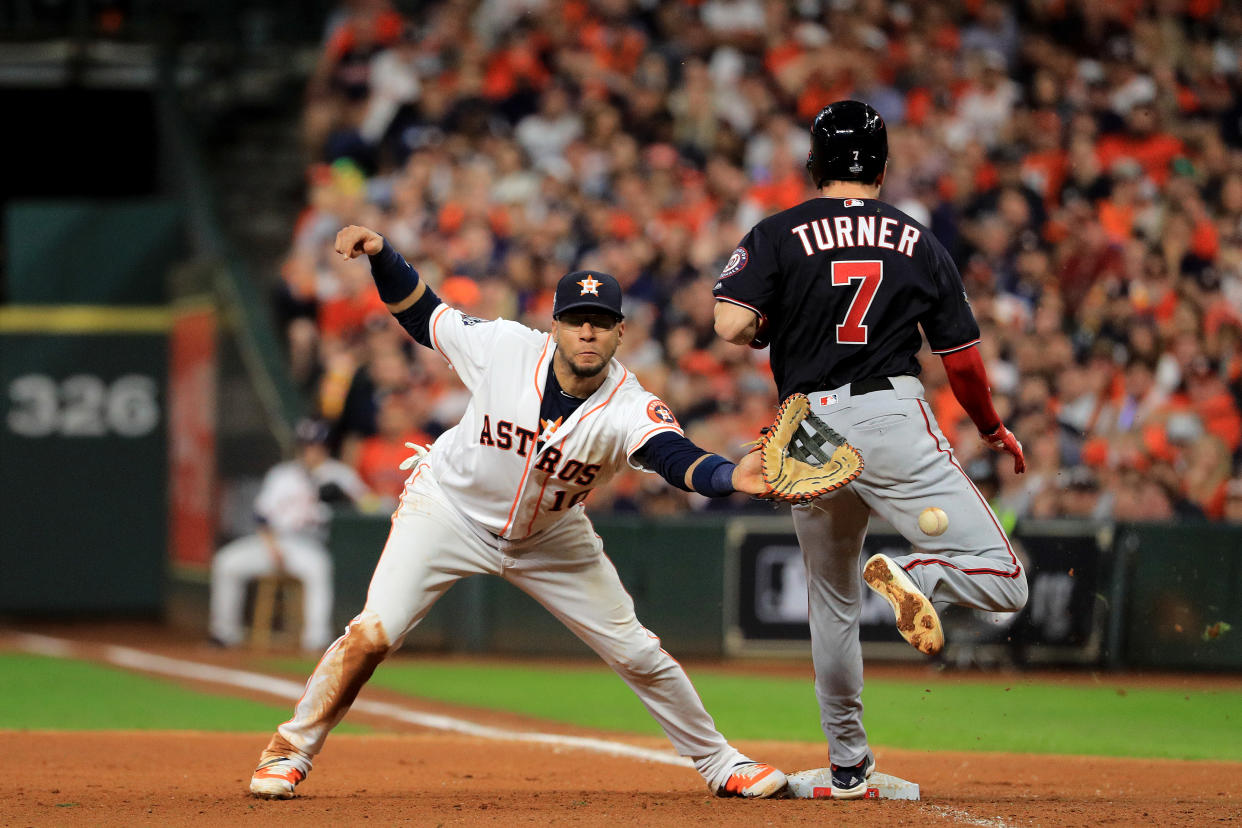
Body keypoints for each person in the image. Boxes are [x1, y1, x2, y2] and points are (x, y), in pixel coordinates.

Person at [247, 224, 788, 801]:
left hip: (551, 537)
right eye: (577, 319)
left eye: (601, 322)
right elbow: (422, 313)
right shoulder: (505, 346)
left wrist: (728, 475)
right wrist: (382, 255)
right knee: (373, 632)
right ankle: (290, 750)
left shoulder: (629, 405)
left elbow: (673, 455)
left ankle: (719, 762)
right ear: (553, 326)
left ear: (619, 333)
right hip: (448, 509)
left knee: (637, 651)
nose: (588, 331)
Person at [712, 100, 1029, 799]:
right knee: (1006, 579)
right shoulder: (917, 238)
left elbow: (730, 323)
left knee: (831, 601)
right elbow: (964, 361)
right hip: (890, 414)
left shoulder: (778, 231)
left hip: (808, 430)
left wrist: (776, 321)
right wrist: (989, 426)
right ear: (883, 169)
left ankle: (849, 766)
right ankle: (924, 574)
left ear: (812, 166)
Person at [209, 418, 370, 652]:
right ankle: (224, 633)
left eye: (316, 445)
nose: (310, 451)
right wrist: (272, 546)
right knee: (226, 562)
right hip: (272, 542)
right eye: (306, 445)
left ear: (326, 447)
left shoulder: (340, 475)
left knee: (318, 569)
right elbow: (261, 517)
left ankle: (316, 640)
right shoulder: (281, 474)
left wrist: (346, 499)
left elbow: (370, 506)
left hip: (308, 544)